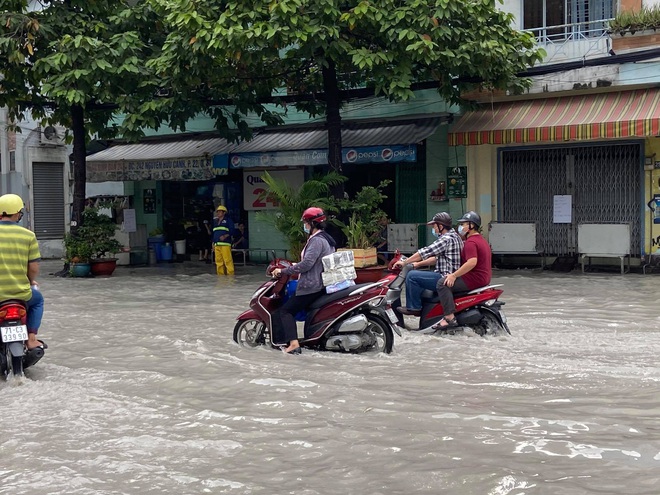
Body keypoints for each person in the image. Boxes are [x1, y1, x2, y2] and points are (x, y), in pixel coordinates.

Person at [271, 207, 336, 354]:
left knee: (285, 311)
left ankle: (294, 344)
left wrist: (283, 271)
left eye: (306, 223)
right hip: (321, 284)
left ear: (313, 223)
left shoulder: (317, 241)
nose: (305, 226)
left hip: (312, 285)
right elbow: (313, 262)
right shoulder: (325, 238)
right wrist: (293, 265)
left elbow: (307, 264)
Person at [429, 211, 492, 331]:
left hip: (474, 278)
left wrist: (453, 275)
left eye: (463, 224)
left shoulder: (471, 242)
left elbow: (472, 262)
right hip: (483, 278)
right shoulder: (481, 240)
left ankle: (449, 317)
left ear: (471, 226)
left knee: (442, 283)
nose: (461, 227)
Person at [393, 212, 463, 317]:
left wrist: (405, 262)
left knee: (412, 276)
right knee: (418, 274)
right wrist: (417, 264)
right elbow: (436, 258)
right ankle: (425, 308)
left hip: (444, 276)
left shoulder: (446, 239)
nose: (433, 229)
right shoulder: (455, 236)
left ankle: (414, 308)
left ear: (441, 226)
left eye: (434, 226)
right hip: (448, 274)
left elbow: (425, 252)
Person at [0, 194, 45, 350]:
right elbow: (33, 268)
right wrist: (31, 280)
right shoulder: (28, 235)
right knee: (38, 300)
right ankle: (31, 338)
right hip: (21, 294)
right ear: (17, 213)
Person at [212, 205, 235, 275]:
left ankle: (230, 276)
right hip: (217, 244)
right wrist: (213, 243)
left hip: (225, 244)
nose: (218, 213)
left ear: (224, 212)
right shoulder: (215, 222)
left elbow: (232, 231)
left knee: (227, 260)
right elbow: (214, 233)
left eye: (220, 211)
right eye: (217, 212)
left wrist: (225, 236)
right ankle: (220, 277)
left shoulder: (228, 221)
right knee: (218, 262)